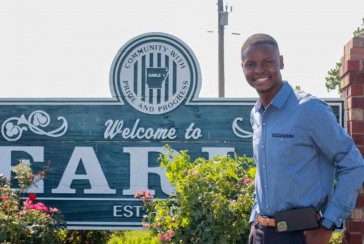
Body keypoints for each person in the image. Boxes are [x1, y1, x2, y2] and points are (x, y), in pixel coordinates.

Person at [241, 33, 364, 244]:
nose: (259, 70)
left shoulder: (309, 110)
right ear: (243, 68)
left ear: (281, 61)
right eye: (251, 64)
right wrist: (255, 221)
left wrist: (328, 226)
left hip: (301, 235)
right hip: (261, 234)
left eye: (268, 62)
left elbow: (353, 165)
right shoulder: (257, 114)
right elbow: (265, 177)